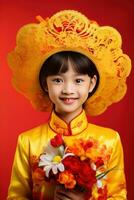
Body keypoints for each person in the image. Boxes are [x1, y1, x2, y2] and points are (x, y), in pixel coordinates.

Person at [7, 10, 131, 200]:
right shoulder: (28, 141)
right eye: (57, 80)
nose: (68, 89)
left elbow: (118, 195)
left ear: (92, 83)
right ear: (45, 84)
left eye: (78, 81)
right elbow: (16, 196)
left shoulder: (109, 140)